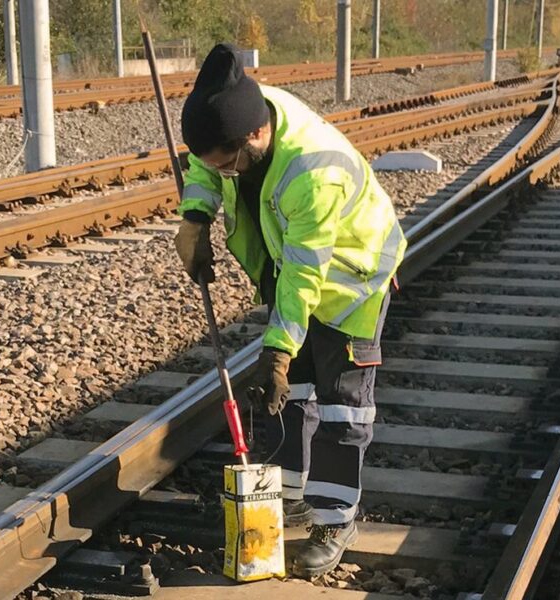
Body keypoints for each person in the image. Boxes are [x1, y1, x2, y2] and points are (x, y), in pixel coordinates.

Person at [173, 43, 406, 578]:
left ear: (255, 137)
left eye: (228, 165)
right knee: (293, 392)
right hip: (291, 262)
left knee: (342, 401)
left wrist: (276, 349)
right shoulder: (242, 115)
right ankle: (293, 497)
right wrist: (195, 216)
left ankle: (335, 518)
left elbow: (307, 275)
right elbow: (204, 166)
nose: (223, 174)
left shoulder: (313, 172)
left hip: (350, 281)